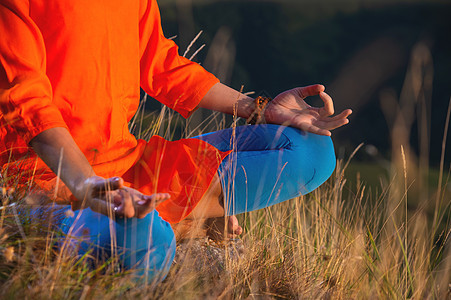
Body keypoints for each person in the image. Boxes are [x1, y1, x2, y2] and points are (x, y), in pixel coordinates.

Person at [0, 0, 352, 283]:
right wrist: (88, 185)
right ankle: (175, 220)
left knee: (311, 152)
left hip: (127, 162)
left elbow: (160, 64)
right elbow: (26, 103)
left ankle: (180, 213)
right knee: (146, 238)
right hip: (45, 180)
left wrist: (259, 109)